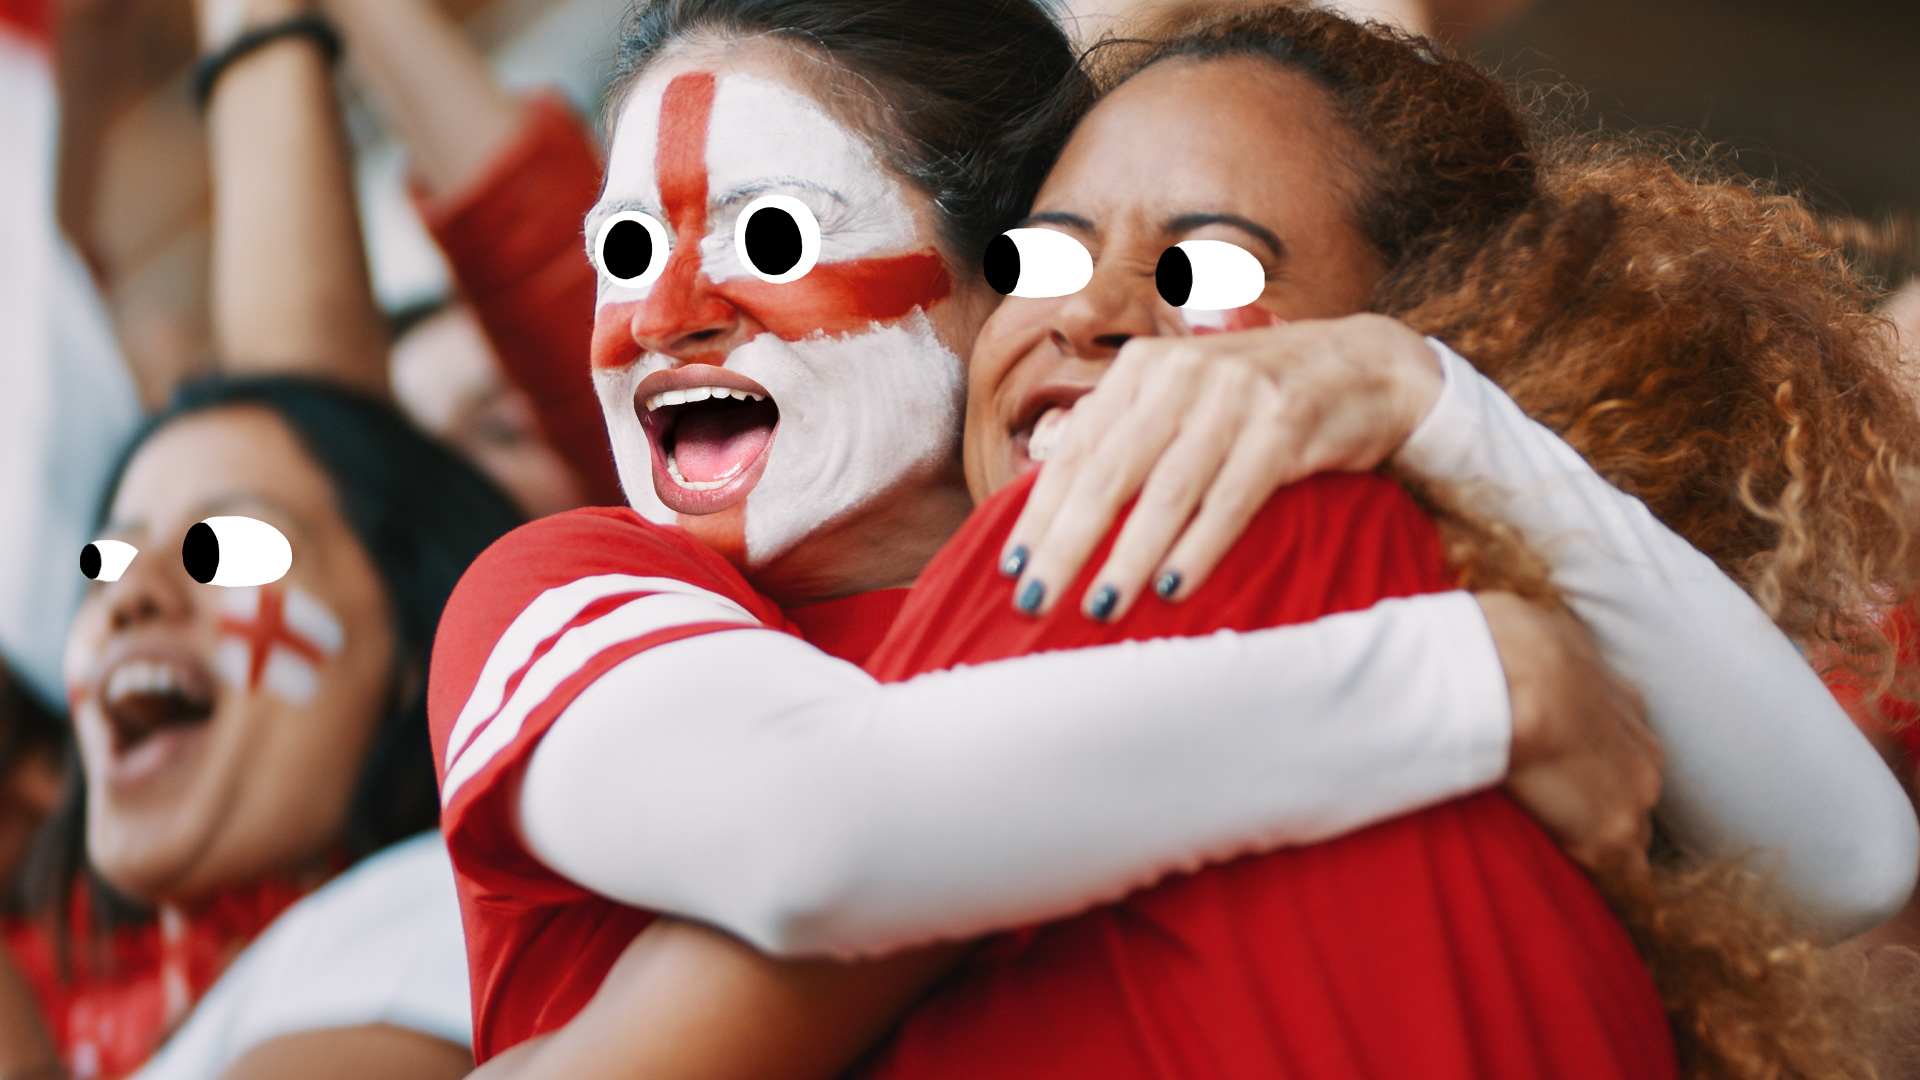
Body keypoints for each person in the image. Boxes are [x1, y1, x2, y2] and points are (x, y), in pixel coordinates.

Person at [411, 2, 1913, 1077]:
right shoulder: (579, 588)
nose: (1097, 304)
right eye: (1056, 255)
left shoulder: (1333, 545)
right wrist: (1472, 678)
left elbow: (1843, 861)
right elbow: (824, 830)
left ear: (954, 287)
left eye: (1205, 264)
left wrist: (1434, 399)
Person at [0, 0, 531, 1075]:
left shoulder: (429, 926)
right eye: (104, 558)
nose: (129, 596)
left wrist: (261, 35)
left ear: (422, 654)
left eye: (226, 553)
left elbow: (308, 387)